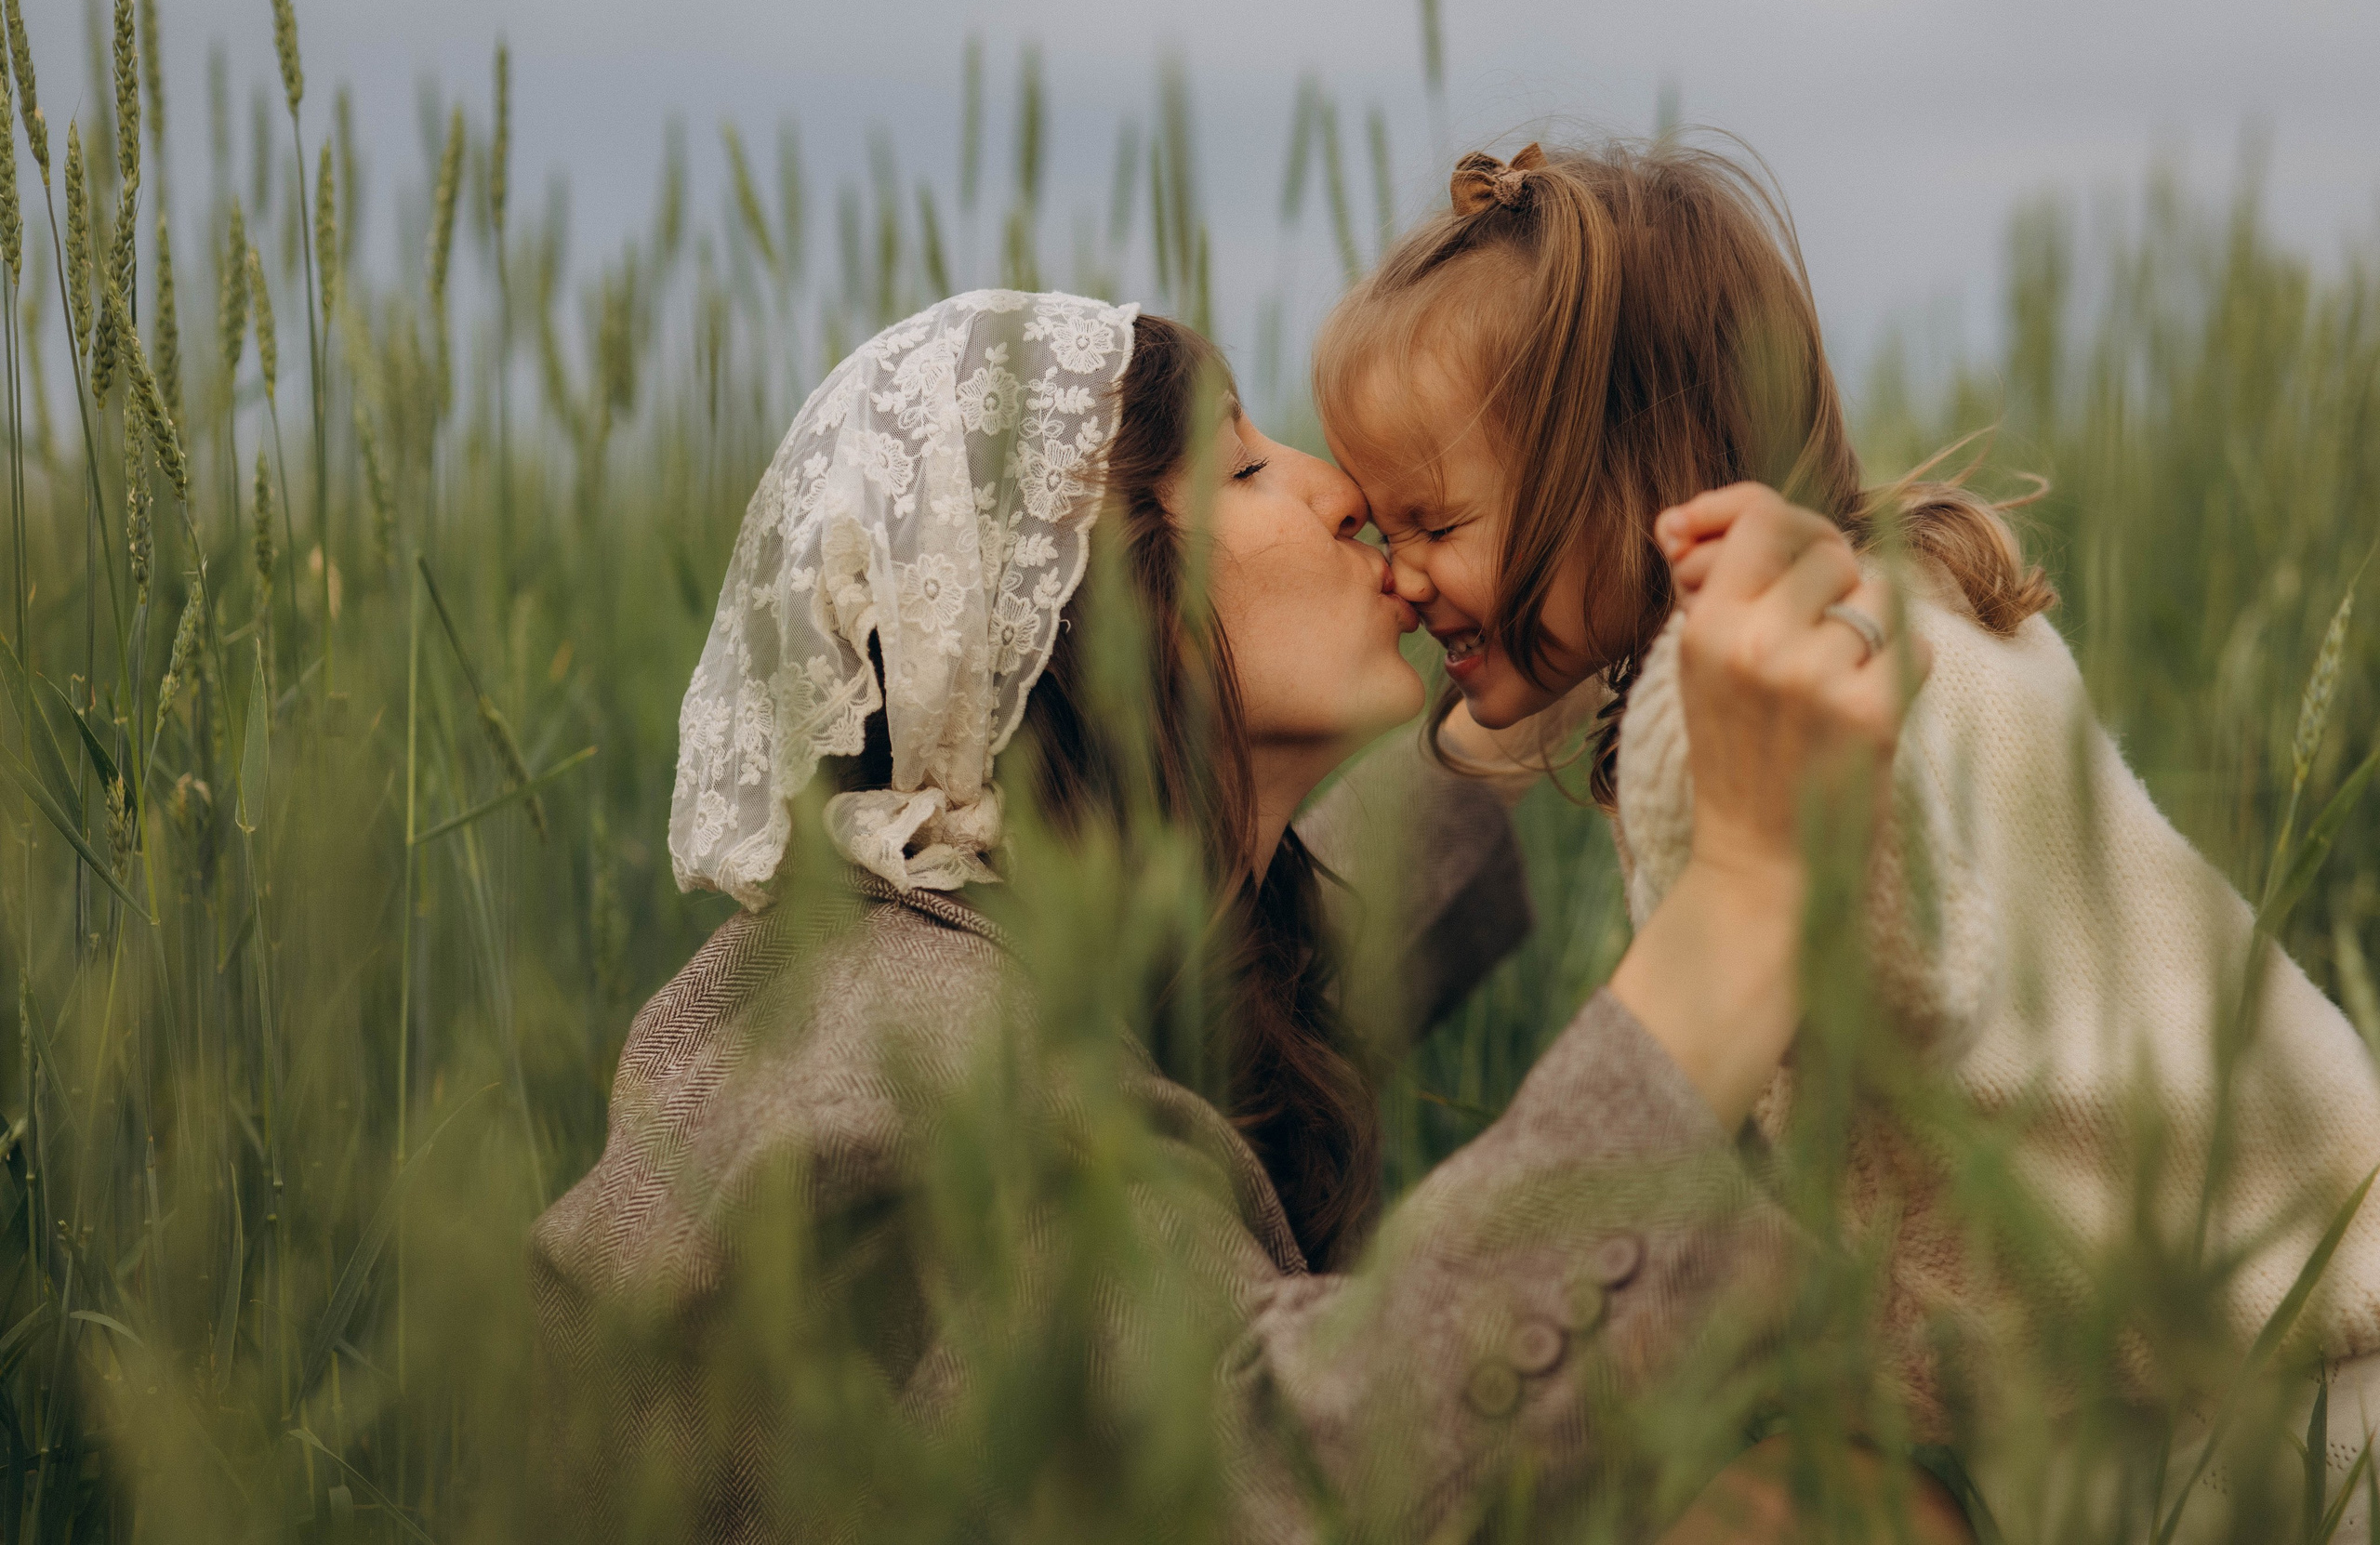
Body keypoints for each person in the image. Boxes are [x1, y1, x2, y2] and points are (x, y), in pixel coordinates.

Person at [529, 290, 1954, 1541]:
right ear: (1090, 619)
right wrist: (1749, 898)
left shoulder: (925, 950)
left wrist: (1547, 647)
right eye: (1243, 465)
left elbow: (1304, 953)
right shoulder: (910, 1075)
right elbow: (1268, 1482)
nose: (1342, 490)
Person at [1313, 135, 2380, 1521]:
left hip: (2220, 1408)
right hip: (2277, 1309)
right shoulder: (1902, 606)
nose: (1398, 579)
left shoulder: (1740, 703)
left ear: (1639, 472)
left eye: (1431, 520)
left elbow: (1895, 987)